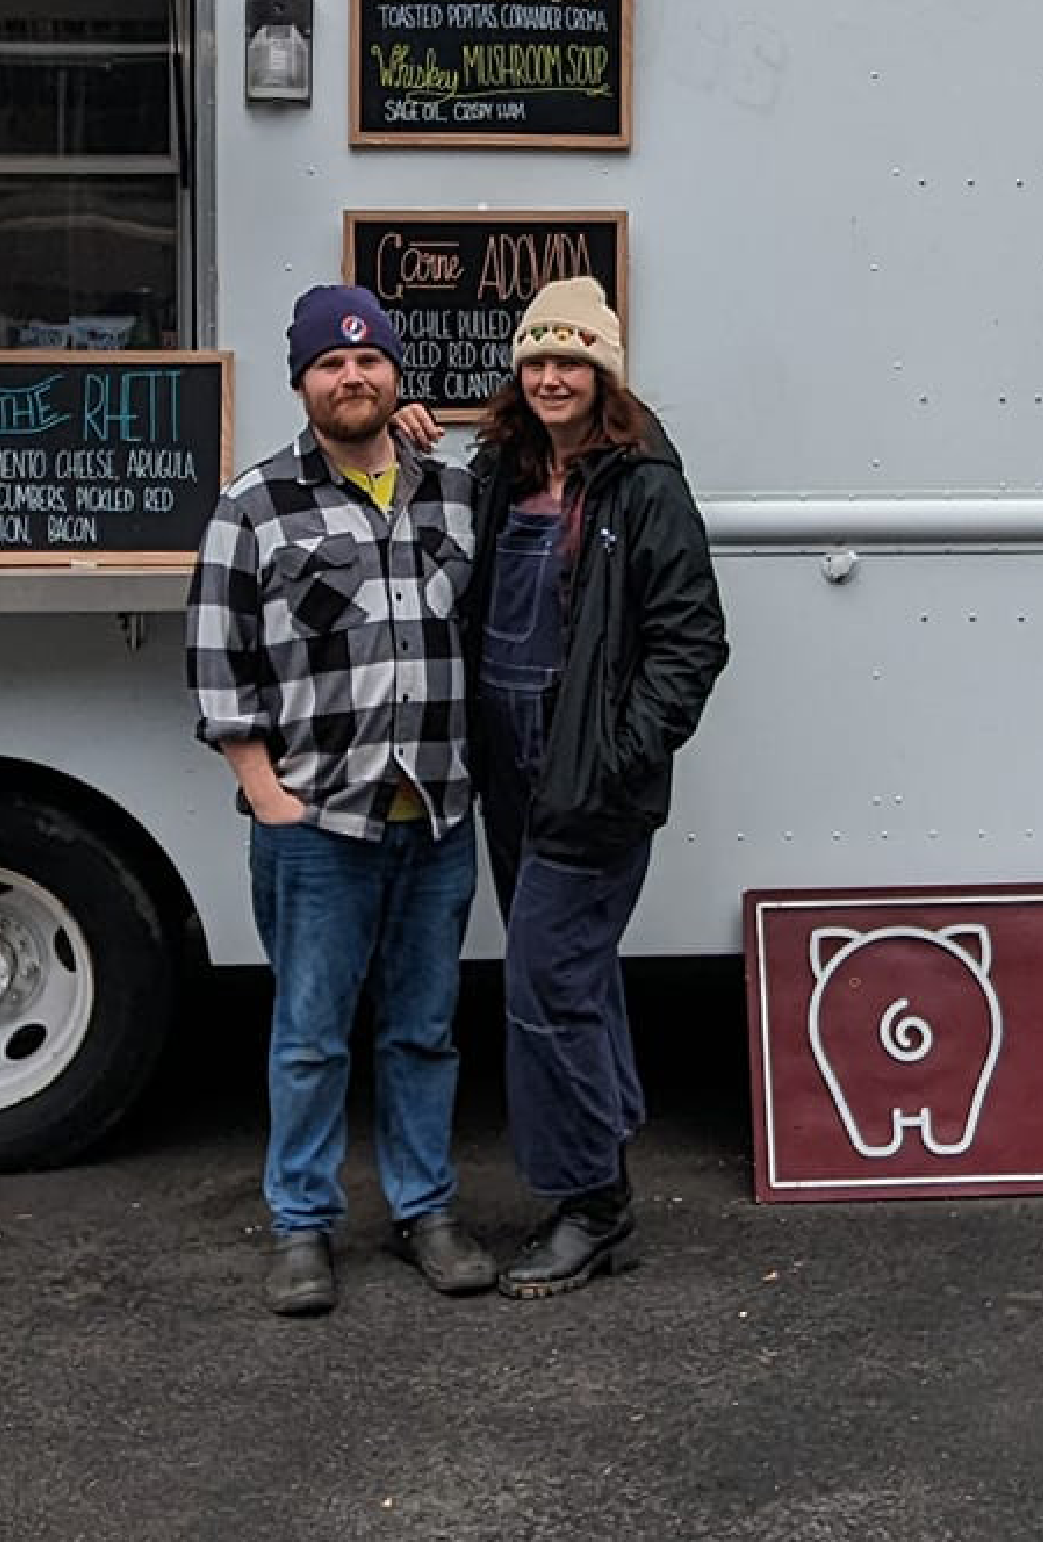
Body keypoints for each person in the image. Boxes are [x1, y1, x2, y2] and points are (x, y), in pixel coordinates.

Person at [402, 276, 729, 1298]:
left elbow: (692, 641)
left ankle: (595, 1201)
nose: (550, 377)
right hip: (508, 768)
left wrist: (623, 752)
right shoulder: (499, 468)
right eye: (536, 360)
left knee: (544, 984)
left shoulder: (645, 487)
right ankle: (606, 1145)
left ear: (604, 374)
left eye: (571, 362)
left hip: (592, 781)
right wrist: (411, 448)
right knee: (574, 979)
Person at [186, 284, 494, 1315]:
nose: (352, 377)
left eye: (370, 362)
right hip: (318, 823)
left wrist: (443, 431)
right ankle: (302, 1227)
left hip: (438, 815)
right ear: (302, 382)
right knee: (310, 1037)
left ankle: (426, 1211)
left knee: (423, 1031)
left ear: (396, 374)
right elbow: (218, 663)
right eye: (331, 364)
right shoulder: (254, 504)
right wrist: (265, 795)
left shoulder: (453, 494)